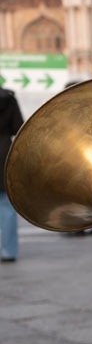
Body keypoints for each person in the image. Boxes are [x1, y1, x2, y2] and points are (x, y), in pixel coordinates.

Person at [0, 88, 23, 262]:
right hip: (4, 153)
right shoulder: (8, 98)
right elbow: (18, 127)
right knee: (7, 207)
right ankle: (9, 251)